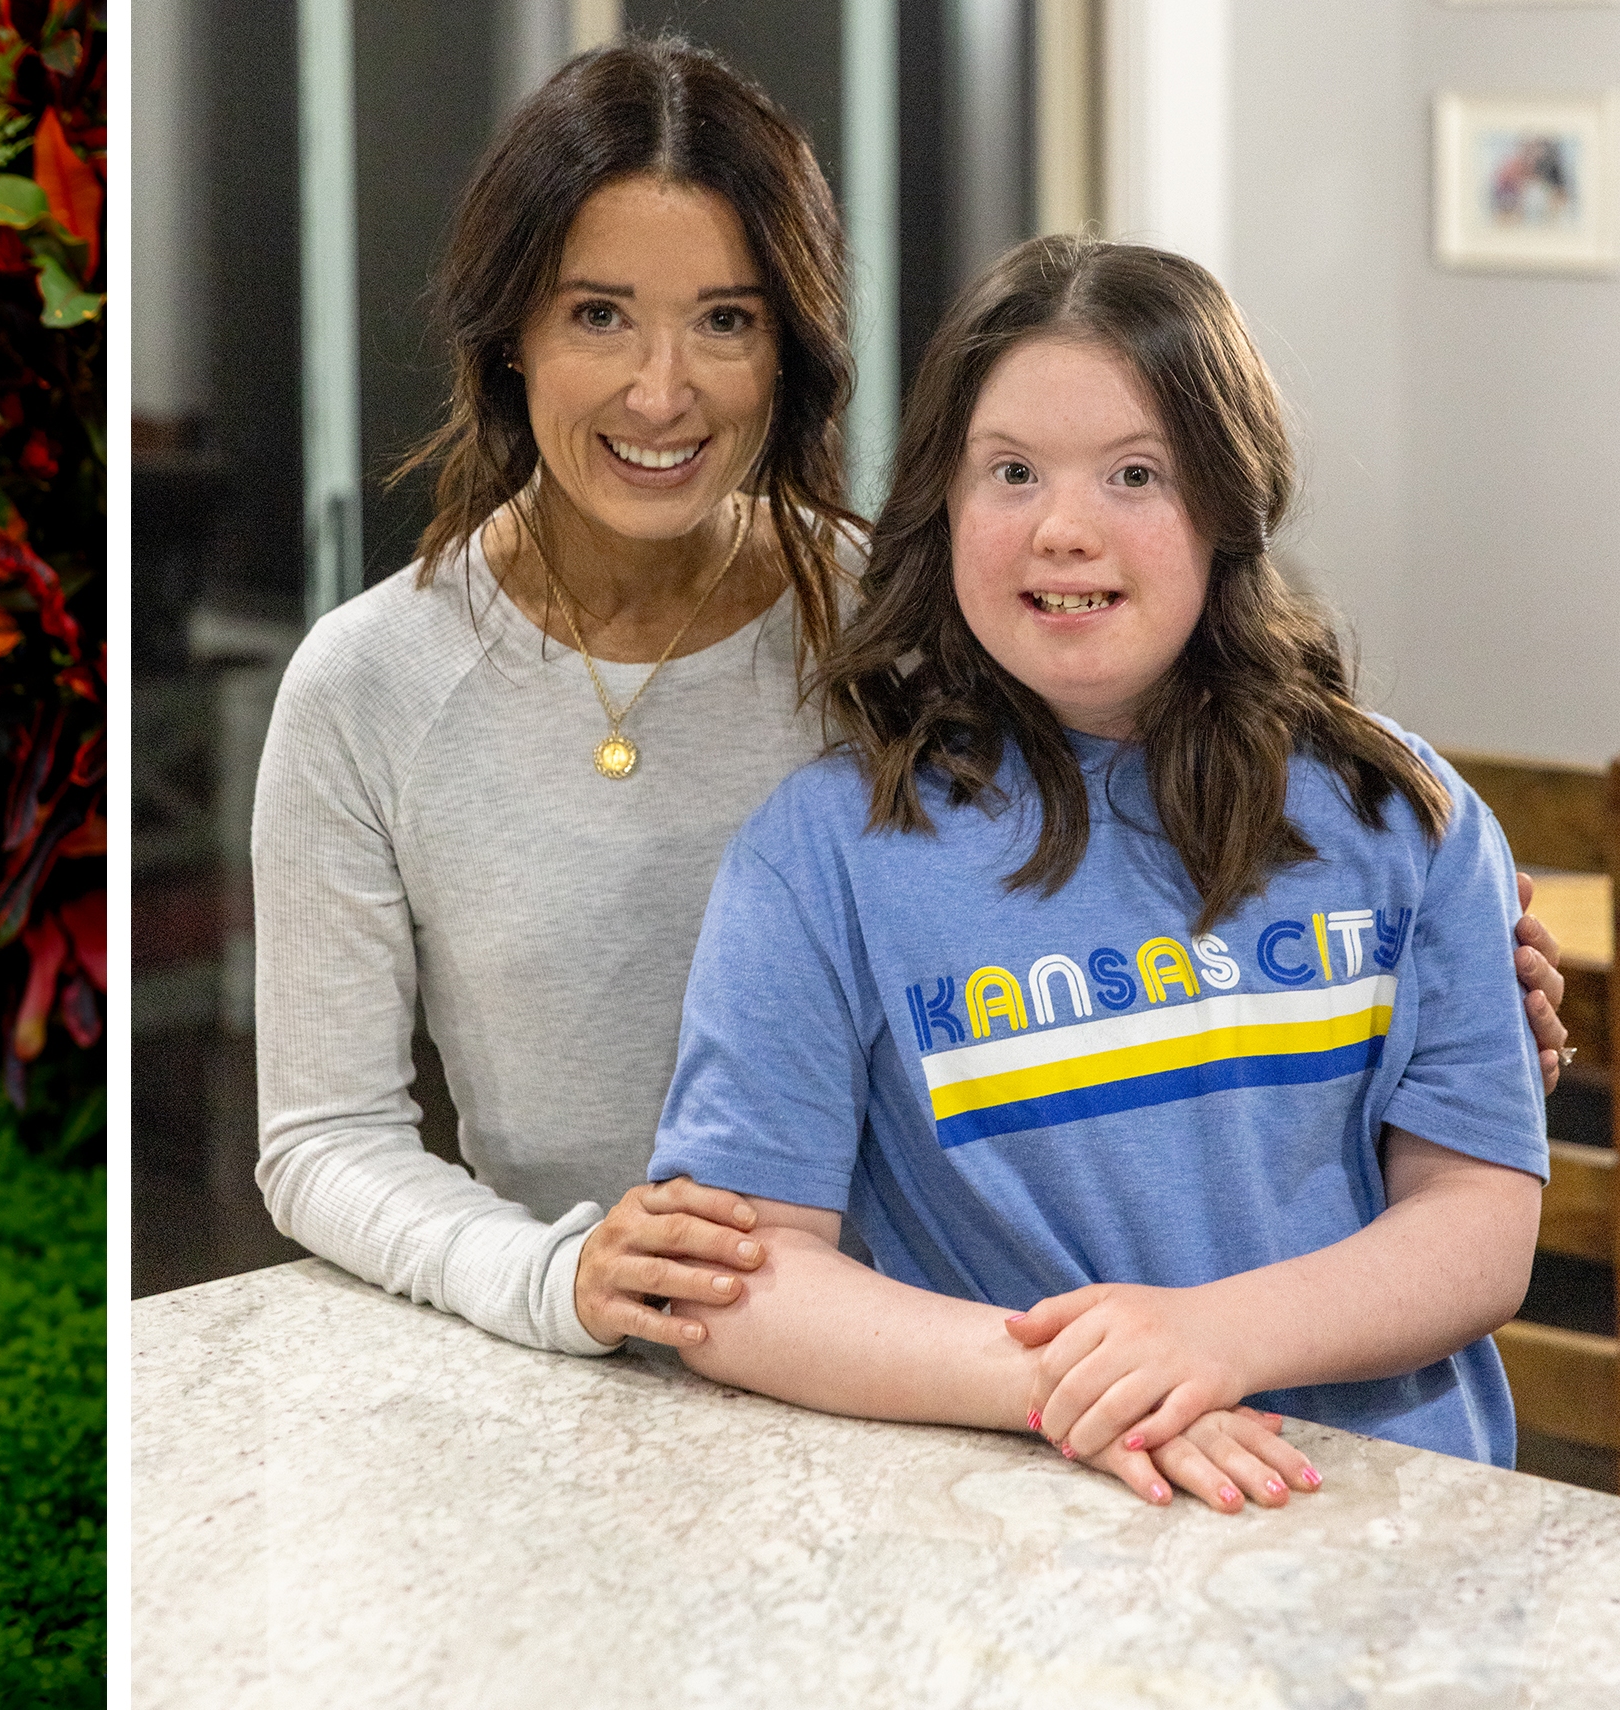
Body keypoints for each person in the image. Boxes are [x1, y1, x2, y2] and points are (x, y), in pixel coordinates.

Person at [252, 35, 1571, 1364]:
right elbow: (324, 1137)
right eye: (599, 314)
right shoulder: (369, 686)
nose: (662, 388)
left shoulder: (918, 618)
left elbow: (1169, 879)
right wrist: (553, 1276)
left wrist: (1438, 993)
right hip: (607, 1348)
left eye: (726, 320)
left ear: (791, 352)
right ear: (510, 338)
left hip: (948, 1363)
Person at [648, 235, 1548, 1509]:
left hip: (1390, 1514)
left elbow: (1478, 1223)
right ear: (943, 503)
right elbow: (742, 1285)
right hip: (1021, 1513)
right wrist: (1078, 1380)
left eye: (1136, 473)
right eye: (1011, 471)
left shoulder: (1403, 813)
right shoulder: (821, 856)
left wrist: (1216, 1337)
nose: (1065, 530)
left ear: (1229, 501)